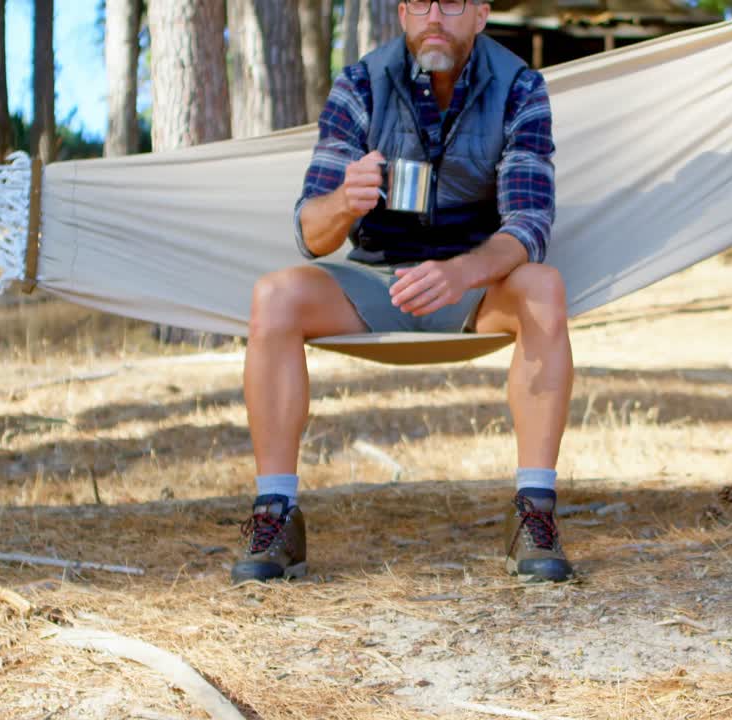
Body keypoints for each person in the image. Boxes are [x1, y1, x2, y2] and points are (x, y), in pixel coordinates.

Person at [230, 0, 573, 585]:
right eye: (419, 2)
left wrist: (463, 272)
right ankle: (276, 515)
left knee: (543, 287)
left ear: (482, 14)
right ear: (401, 12)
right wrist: (344, 200)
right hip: (375, 279)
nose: (434, 15)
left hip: (476, 286)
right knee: (274, 296)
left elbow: (529, 223)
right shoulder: (360, 84)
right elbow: (311, 235)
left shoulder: (520, 86)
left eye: (453, 2)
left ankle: (533, 514)